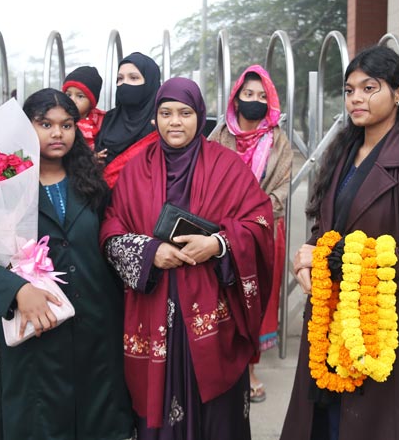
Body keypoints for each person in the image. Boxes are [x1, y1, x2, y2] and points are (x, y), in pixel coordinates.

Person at [280, 45, 399, 440]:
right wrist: (306, 263)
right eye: (350, 89)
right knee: (324, 420)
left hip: (379, 324)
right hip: (330, 313)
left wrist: (332, 259)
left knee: (366, 426)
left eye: (369, 88)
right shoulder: (343, 154)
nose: (356, 98)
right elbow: (328, 229)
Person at [100, 77, 275, 439]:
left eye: (184, 113)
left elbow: (259, 222)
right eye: (165, 113)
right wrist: (150, 251)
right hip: (153, 311)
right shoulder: (135, 169)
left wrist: (219, 244)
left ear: (200, 116)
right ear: (155, 118)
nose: (174, 122)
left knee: (216, 415)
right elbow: (110, 230)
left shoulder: (227, 165)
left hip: (212, 312)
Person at [0, 88, 133, 439]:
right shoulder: (1, 185)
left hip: (96, 326)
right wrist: (16, 291)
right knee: (39, 421)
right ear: (26, 128)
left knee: (99, 418)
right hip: (38, 328)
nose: (57, 133)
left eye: (66, 125)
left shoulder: (91, 182)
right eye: (45, 124)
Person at [208, 64, 292, 403]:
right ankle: (223, 363)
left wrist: (252, 221)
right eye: (248, 94)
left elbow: (283, 188)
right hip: (221, 233)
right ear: (236, 98)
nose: (254, 101)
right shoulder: (219, 136)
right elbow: (206, 182)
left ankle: (250, 368)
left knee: (257, 301)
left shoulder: (278, 141)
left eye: (261, 96)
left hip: (264, 233)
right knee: (222, 298)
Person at [95, 52, 161, 187]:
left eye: (134, 78)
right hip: (102, 200)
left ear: (150, 83)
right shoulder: (108, 119)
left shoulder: (161, 123)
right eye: (120, 79)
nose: (124, 83)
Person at [62, 65, 106, 150]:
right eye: (68, 95)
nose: (72, 100)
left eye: (80, 96)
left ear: (91, 102)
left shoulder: (102, 120)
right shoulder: (59, 118)